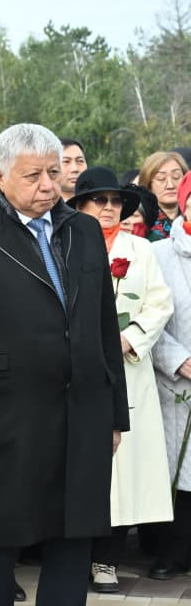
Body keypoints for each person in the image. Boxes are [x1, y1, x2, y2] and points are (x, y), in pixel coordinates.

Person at [0, 123, 128, 606]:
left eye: (54, 173)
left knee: (74, 537)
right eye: (33, 176)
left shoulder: (83, 231)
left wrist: (113, 414)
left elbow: (103, 326)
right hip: (0, 420)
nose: (48, 186)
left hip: (81, 413)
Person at [65, 167, 174, 591]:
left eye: (115, 201)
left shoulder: (140, 249)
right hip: (75, 372)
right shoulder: (63, 243)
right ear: (80, 205)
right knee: (79, 466)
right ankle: (73, 556)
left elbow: (159, 304)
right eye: (99, 200)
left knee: (123, 470)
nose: (108, 208)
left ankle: (106, 560)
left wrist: (129, 339)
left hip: (128, 369)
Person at [150, 171, 191, 579]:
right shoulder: (158, 254)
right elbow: (149, 315)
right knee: (177, 470)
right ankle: (172, 552)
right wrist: (177, 359)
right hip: (175, 381)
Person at [140, 151, 188, 241]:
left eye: (176, 177)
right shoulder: (140, 222)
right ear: (148, 184)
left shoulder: (188, 217)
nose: (170, 185)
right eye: (161, 178)